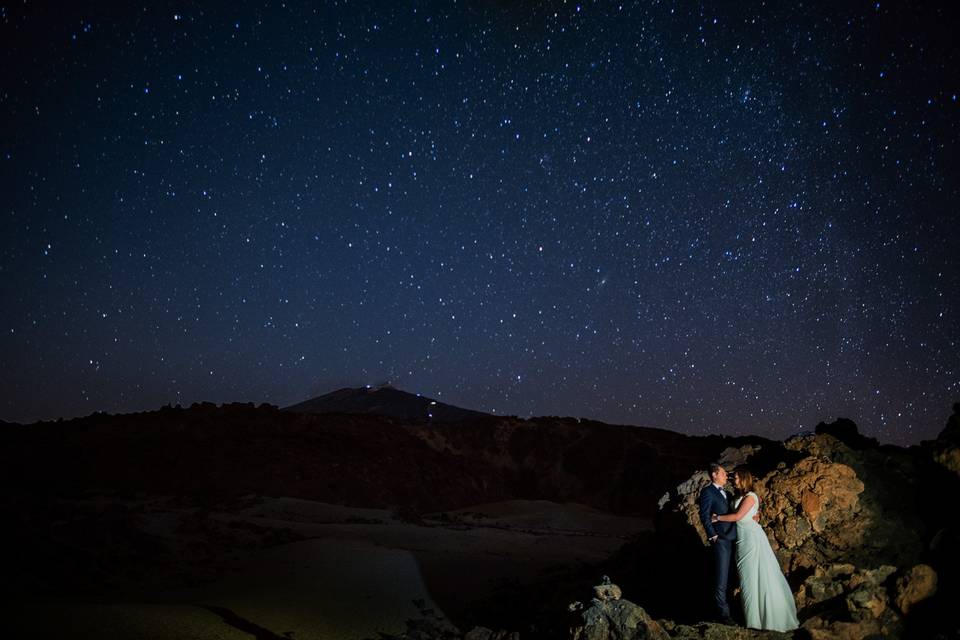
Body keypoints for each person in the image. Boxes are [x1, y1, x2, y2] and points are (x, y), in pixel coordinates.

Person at [712, 466, 799, 632]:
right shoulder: (739, 496)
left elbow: (738, 516)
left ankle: (762, 621)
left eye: (736, 477)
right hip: (741, 540)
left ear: (744, 478)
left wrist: (716, 518)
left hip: (751, 539)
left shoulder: (750, 496)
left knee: (752, 577)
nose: (733, 480)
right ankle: (754, 619)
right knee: (747, 579)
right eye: (733, 477)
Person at [698, 462, 736, 624]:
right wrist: (713, 536)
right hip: (720, 540)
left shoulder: (728, 492)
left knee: (732, 576)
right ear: (714, 475)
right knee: (721, 578)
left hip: (734, 538)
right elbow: (704, 515)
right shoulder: (708, 492)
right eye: (723, 473)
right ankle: (723, 615)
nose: (726, 476)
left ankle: (734, 609)